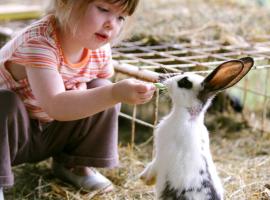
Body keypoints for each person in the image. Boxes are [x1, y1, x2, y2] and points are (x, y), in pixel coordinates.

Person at [0, 0, 156, 198]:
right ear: (66, 3)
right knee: (5, 103)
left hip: (49, 132)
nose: (111, 24)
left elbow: (98, 92)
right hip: (10, 136)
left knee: (101, 88)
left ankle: (74, 163)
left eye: (120, 17)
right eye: (103, 9)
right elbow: (56, 105)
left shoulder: (98, 49)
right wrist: (114, 93)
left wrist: (112, 94)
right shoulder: (39, 42)